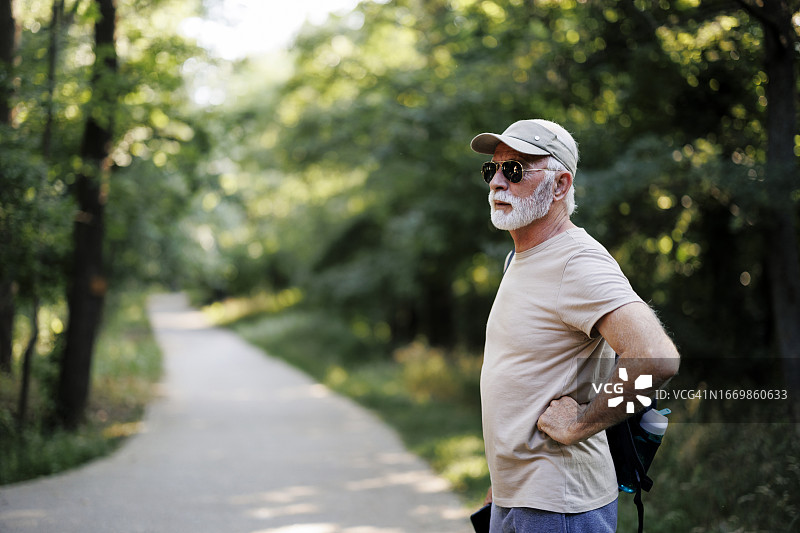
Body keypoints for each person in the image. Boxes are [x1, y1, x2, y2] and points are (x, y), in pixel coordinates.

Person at [470, 119, 680, 532]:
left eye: (514, 170)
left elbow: (657, 359)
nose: (496, 182)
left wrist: (581, 422)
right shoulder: (523, 257)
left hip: (559, 507)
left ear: (561, 185)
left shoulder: (577, 263)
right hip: (518, 494)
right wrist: (501, 483)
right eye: (491, 169)